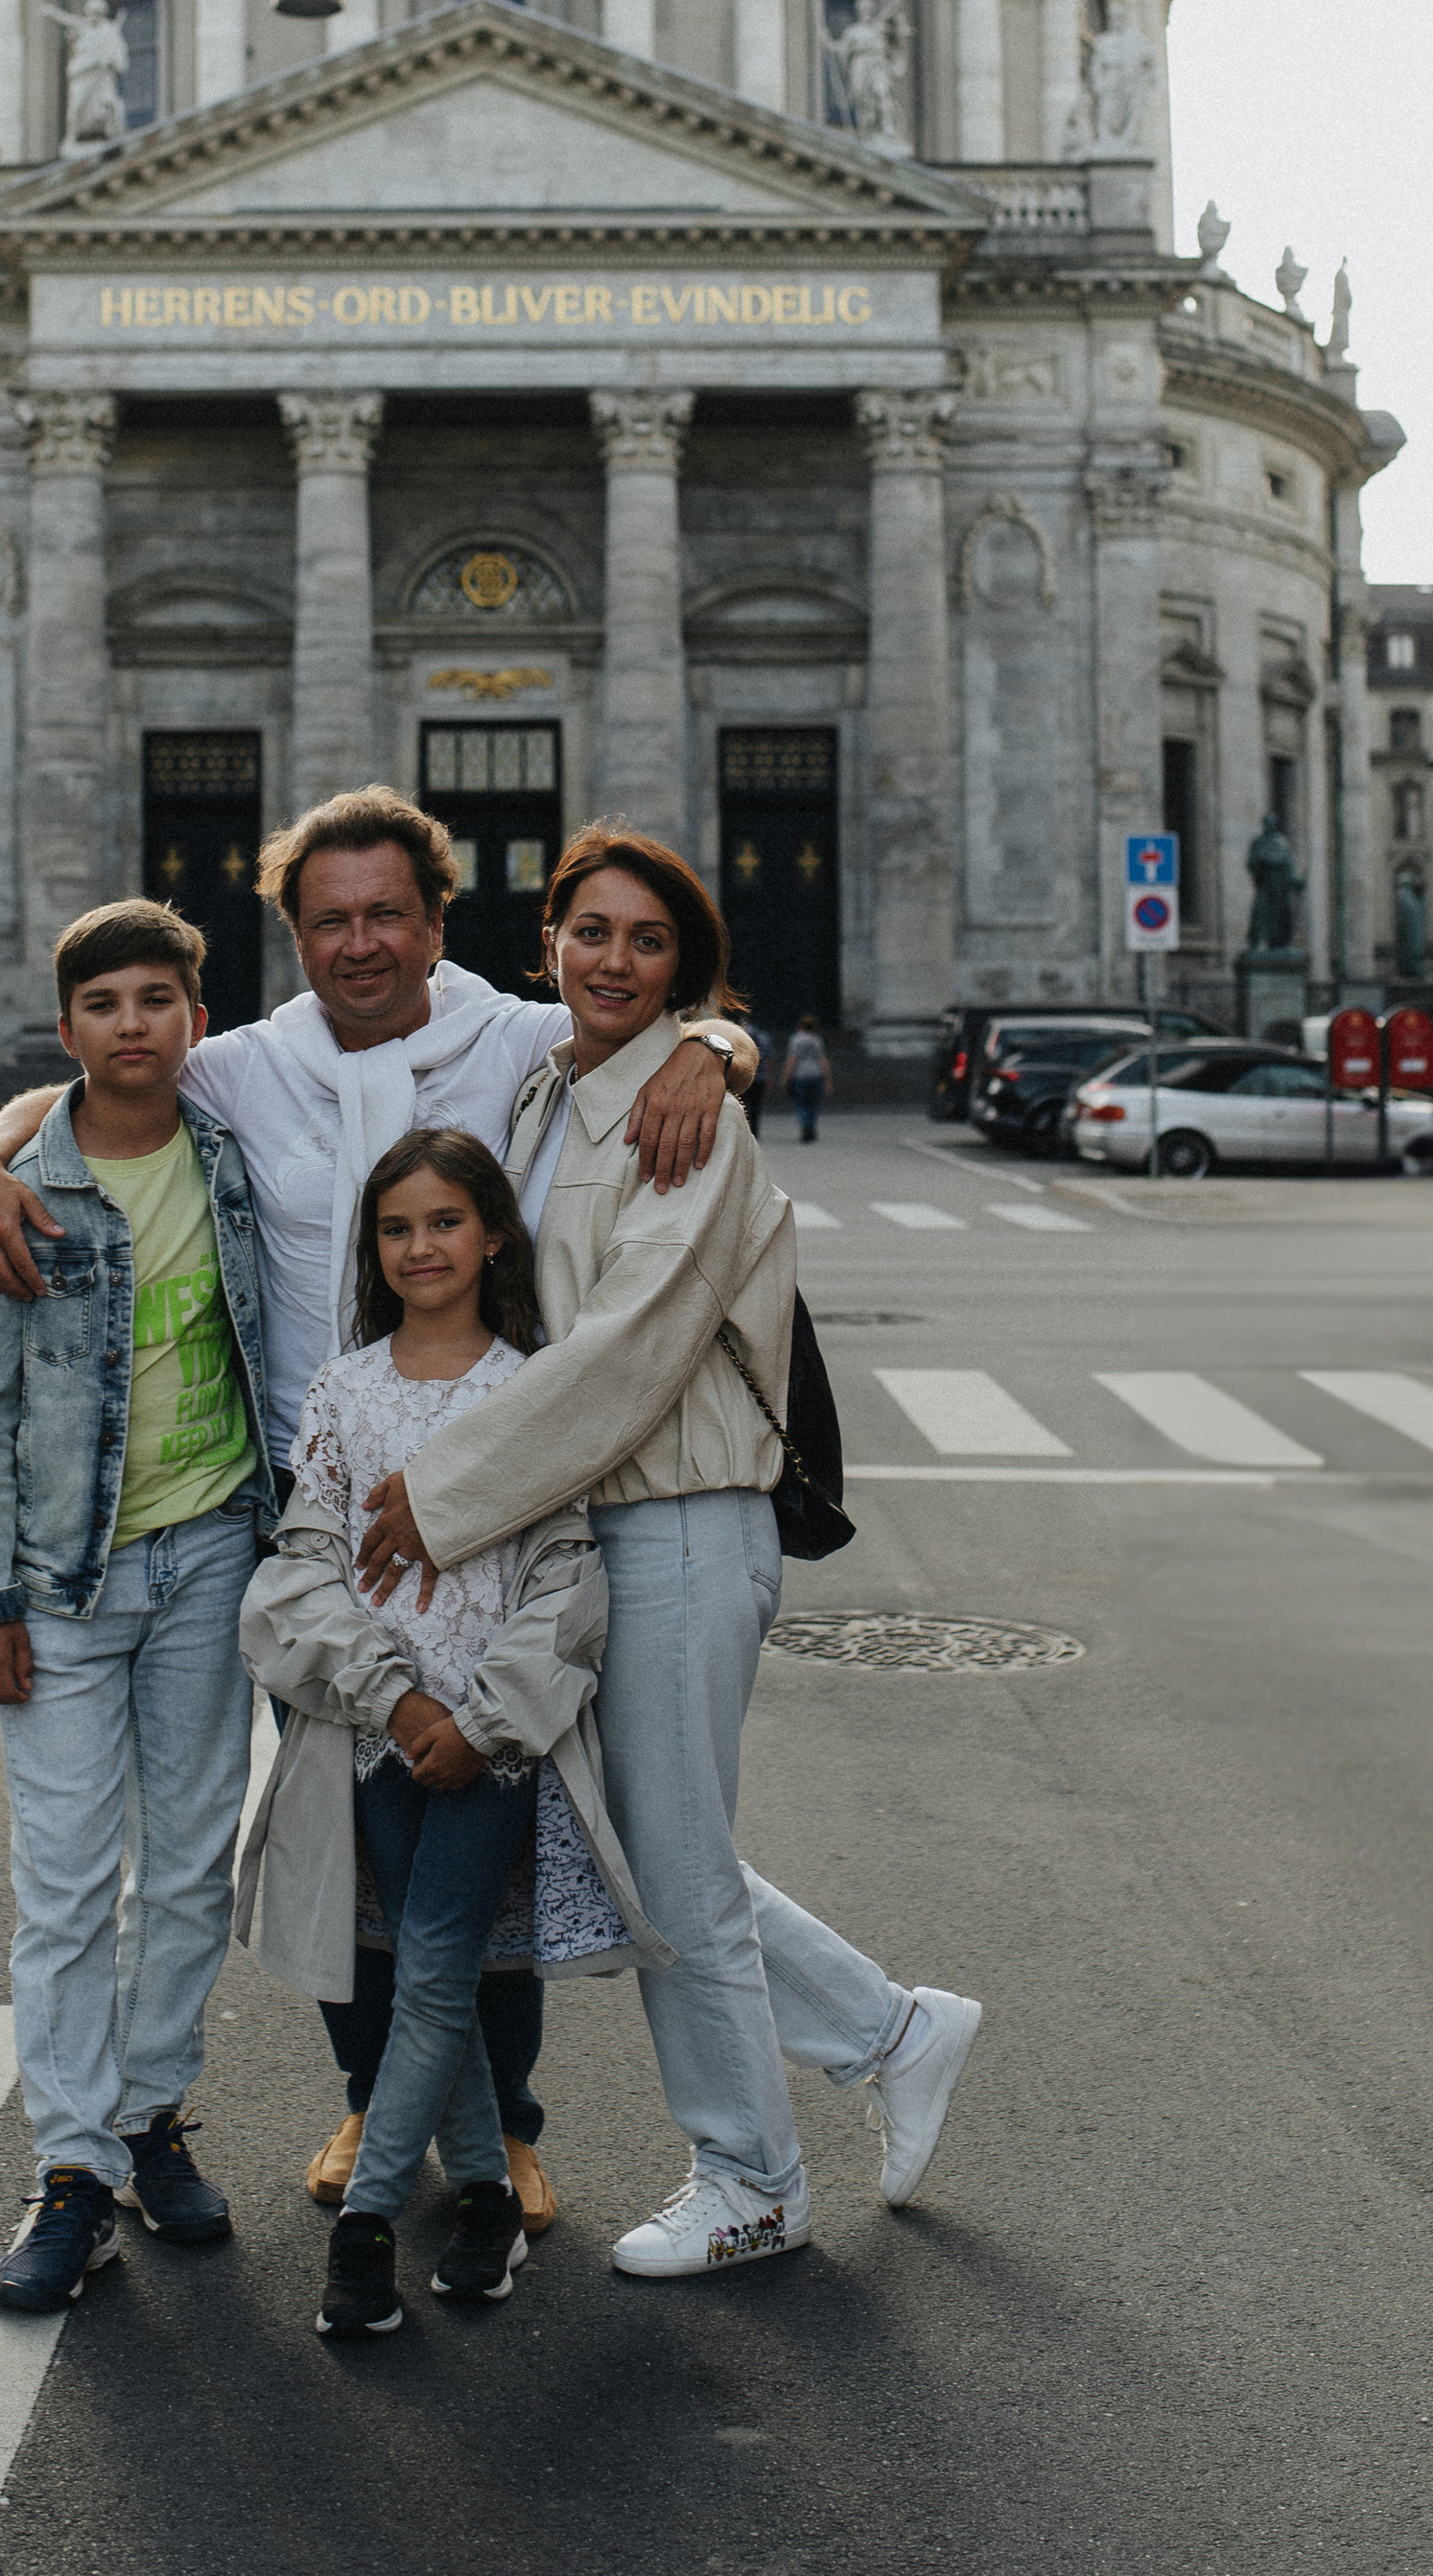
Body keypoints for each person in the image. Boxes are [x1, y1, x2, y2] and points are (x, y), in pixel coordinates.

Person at [0, 784, 756, 2234]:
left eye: (390, 911)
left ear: (442, 920)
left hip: (488, 1496)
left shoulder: (514, 1038)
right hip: (311, 1515)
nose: (363, 941)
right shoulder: (243, 1066)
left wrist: (711, 1038)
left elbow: (642, 1015)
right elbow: (99, 1075)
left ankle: (501, 2121)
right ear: (294, 935)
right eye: (331, 918)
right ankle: (371, 2091)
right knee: (351, 1829)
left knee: (494, 1820)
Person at [358, 828, 980, 2280]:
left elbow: (628, 1351)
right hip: (586, 1527)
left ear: (689, 970)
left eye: (650, 941)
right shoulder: (539, 1092)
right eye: (591, 930)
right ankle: (891, 2028)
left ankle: (754, 2176)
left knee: (674, 1869)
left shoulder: (689, 1122)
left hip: (684, 1519)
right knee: (641, 1848)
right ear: (549, 942)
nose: (613, 959)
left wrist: (438, 1492)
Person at [234, 1131, 667, 2336]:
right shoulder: (343, 1389)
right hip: (377, 1729)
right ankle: (481, 2196)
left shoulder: (536, 1388)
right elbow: (300, 1570)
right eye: (395, 1227)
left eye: (443, 1222)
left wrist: (479, 1720)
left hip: (489, 1742)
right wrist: (393, 1698)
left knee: (435, 1958)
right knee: (421, 1964)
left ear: (491, 1237)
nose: (420, 1246)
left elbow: (565, 1586)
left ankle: (368, 2229)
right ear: (373, 1248)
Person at [0, 900, 275, 2314]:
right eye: (105, 1002)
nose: (133, 1022)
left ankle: (148, 2113)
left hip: (209, 1561)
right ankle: (69, 2168)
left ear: (198, 1013)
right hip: (63, 1585)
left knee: (190, 1864)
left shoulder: (239, 1157)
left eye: (158, 997)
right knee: (66, 1882)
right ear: (66, 1029)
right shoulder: (25, 1183)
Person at [780, 1016, 830, 1144]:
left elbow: (792, 1059)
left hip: (800, 1075)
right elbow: (822, 1060)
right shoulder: (817, 1040)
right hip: (815, 1074)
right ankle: (811, 1127)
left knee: (801, 1103)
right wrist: (828, 1079)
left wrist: (786, 1077)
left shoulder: (795, 1040)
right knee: (813, 1104)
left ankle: (805, 1125)